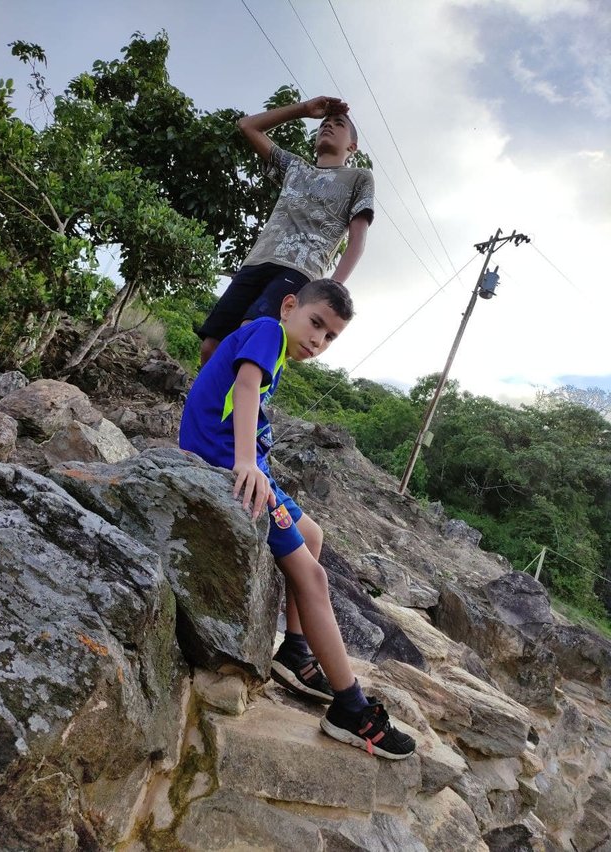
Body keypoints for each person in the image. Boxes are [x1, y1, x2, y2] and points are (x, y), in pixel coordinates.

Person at [180, 278, 416, 760]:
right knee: (313, 577)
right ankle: (350, 709)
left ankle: (294, 650)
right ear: (290, 307)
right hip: (226, 462)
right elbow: (245, 386)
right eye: (315, 323)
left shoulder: (274, 346)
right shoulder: (267, 331)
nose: (318, 340)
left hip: (238, 458)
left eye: (331, 337)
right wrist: (246, 463)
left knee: (313, 533)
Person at [198, 95, 375, 365]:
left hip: (300, 270)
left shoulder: (359, 178)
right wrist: (304, 109)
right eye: (324, 123)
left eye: (338, 124)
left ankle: (241, 406)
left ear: (352, 146)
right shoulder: (295, 167)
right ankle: (208, 406)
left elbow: (357, 240)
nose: (328, 126)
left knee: (252, 336)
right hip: (256, 262)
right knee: (212, 347)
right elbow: (247, 126)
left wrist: (331, 288)